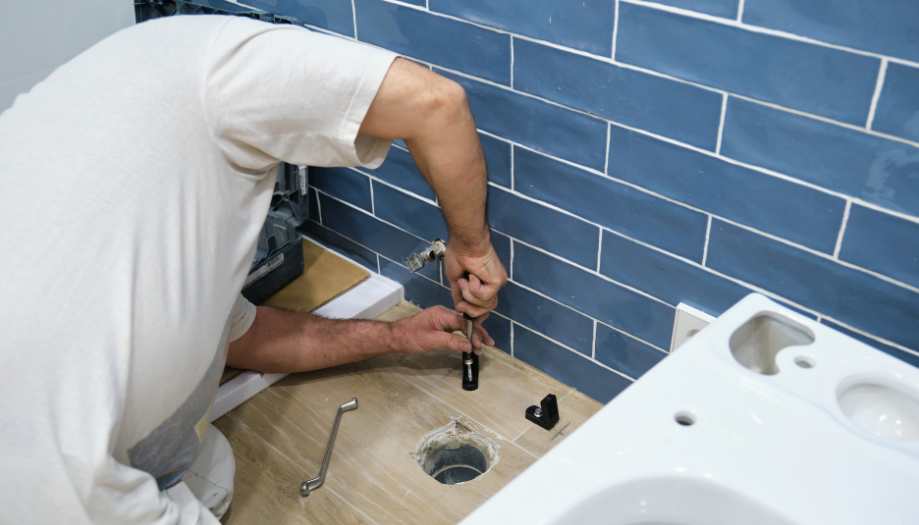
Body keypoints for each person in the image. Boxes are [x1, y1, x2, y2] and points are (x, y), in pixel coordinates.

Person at [0, 14, 507, 523]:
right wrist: (472, 244)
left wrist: (396, 338)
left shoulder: (131, 162)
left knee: (211, 472)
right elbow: (435, 105)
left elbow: (240, 338)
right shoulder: (220, 68)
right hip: (52, 481)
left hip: (81, 450)